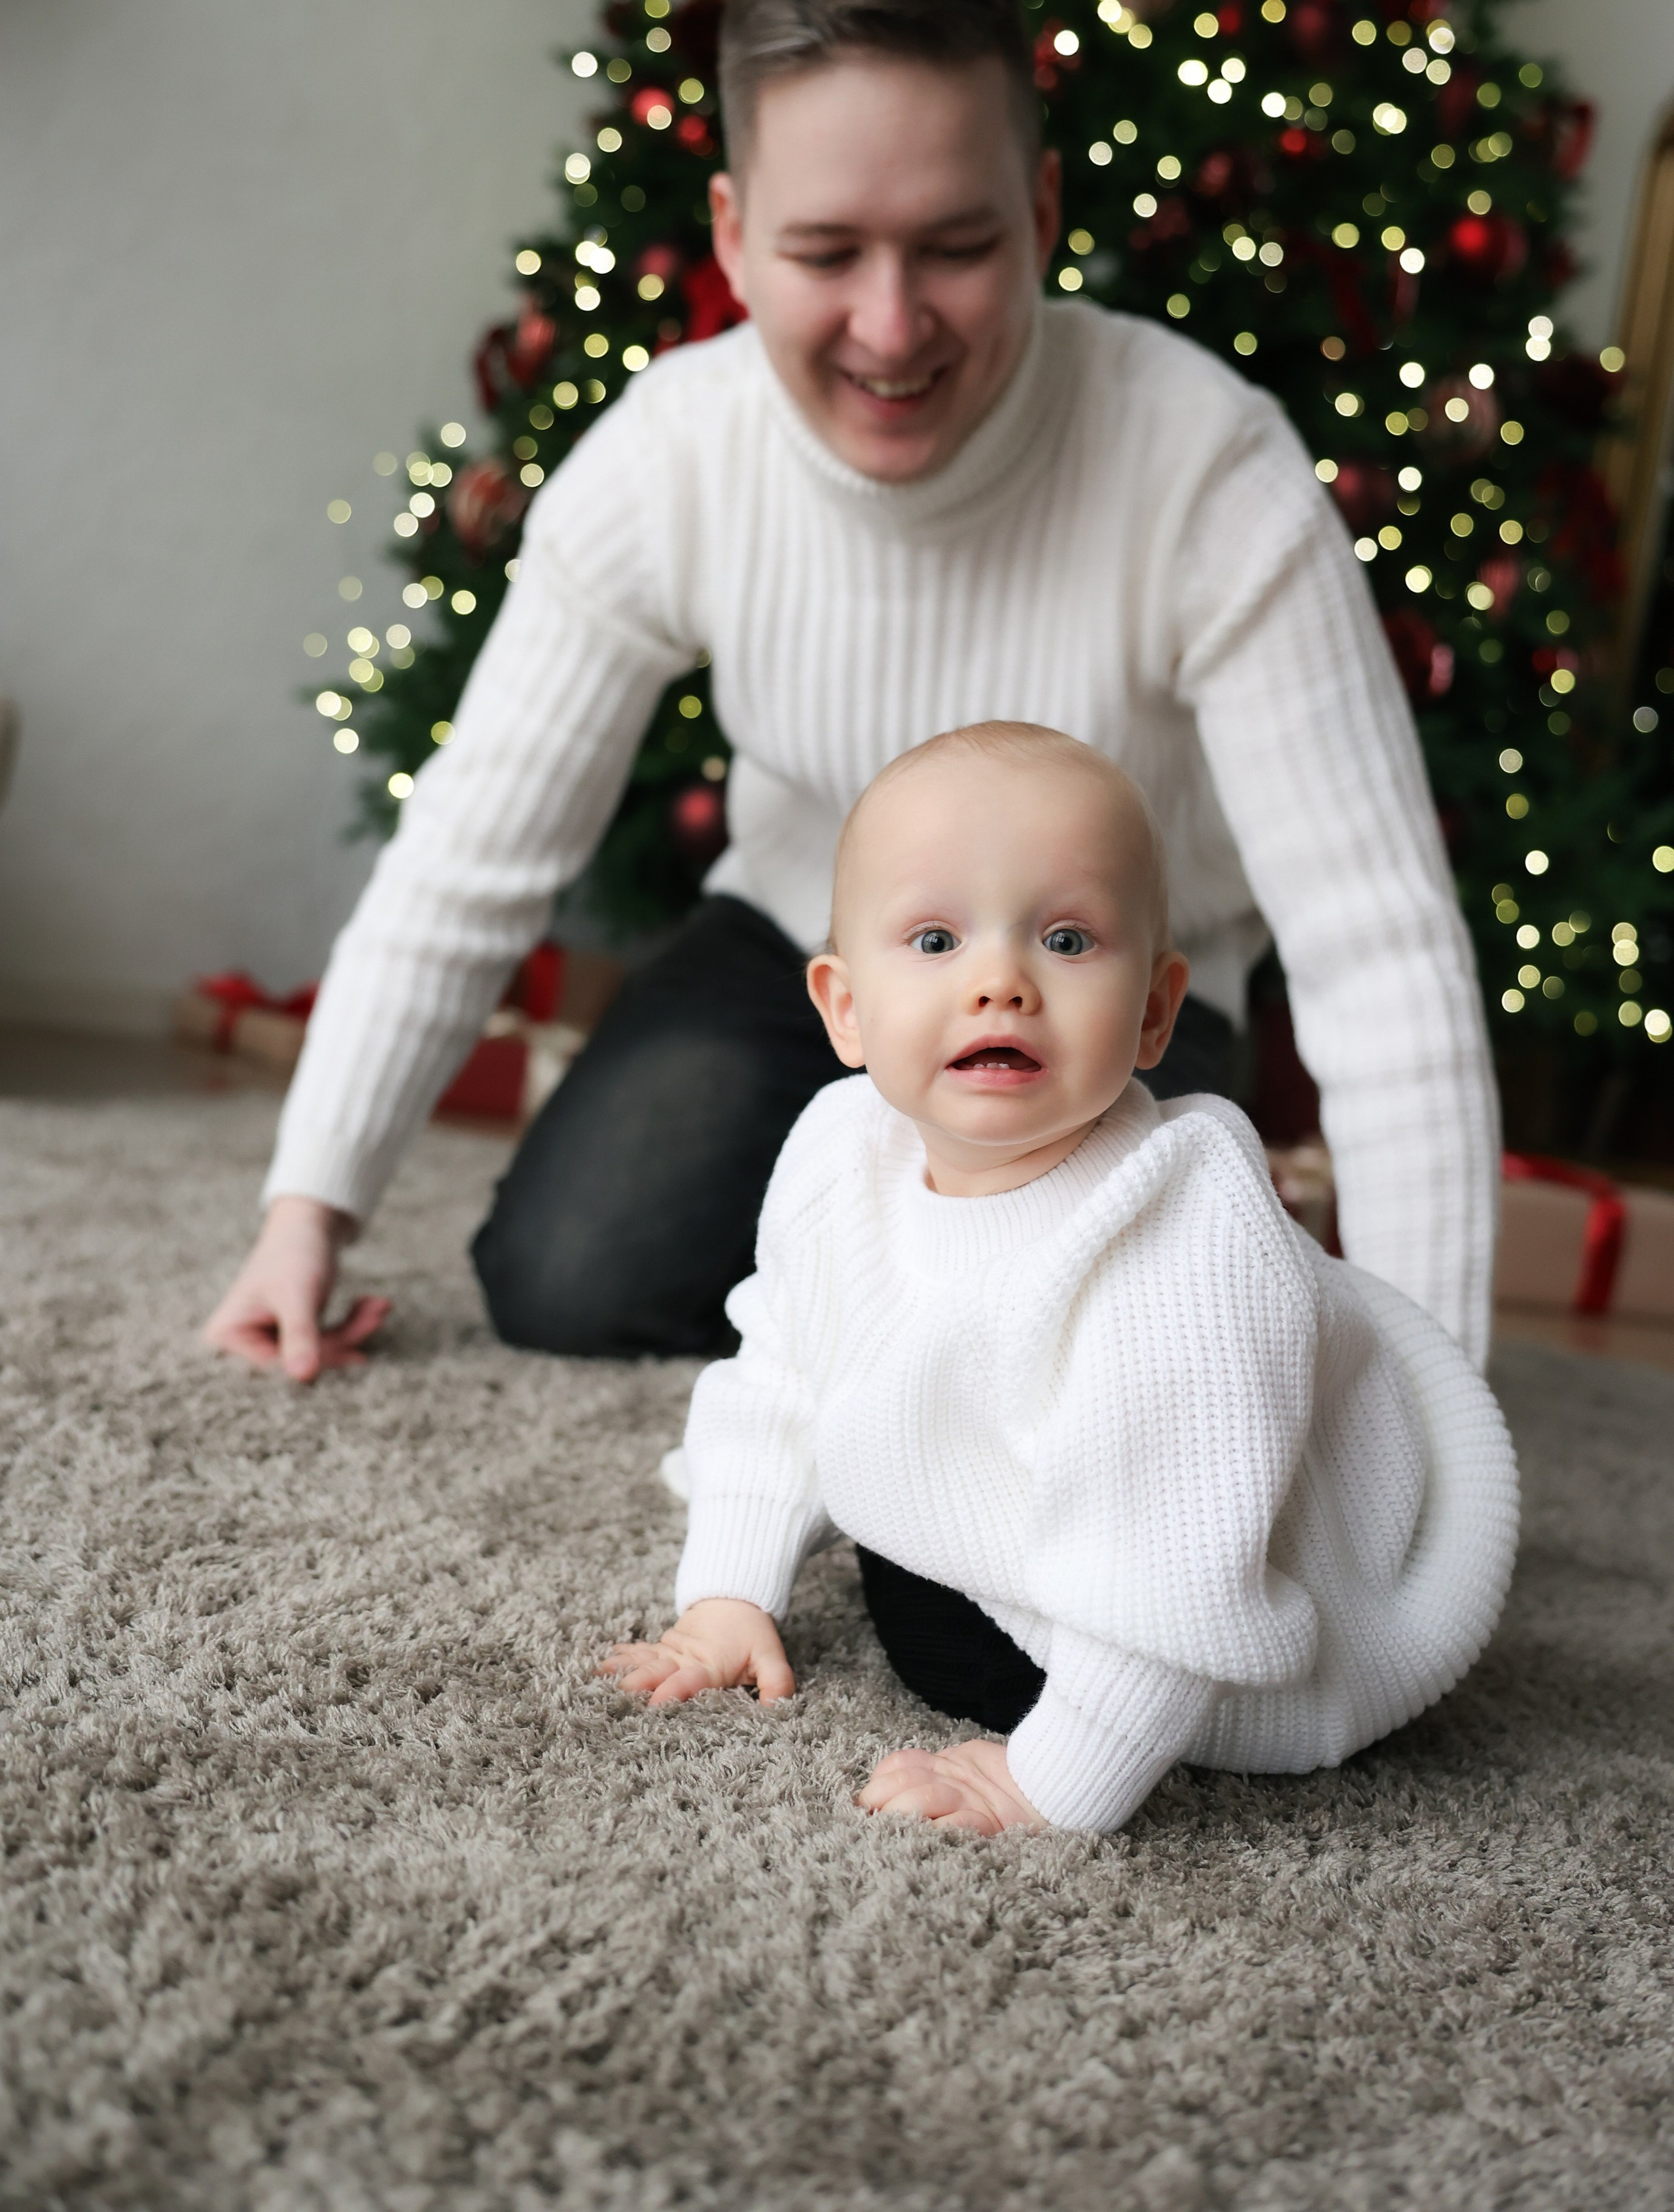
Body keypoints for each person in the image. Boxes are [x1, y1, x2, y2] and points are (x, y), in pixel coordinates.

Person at [204, 0, 1498, 1385]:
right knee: (569, 1276)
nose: (891, 327)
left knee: (1104, 1368)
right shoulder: (670, 457)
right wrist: (304, 1213)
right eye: (826, 253)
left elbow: (1375, 945)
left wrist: (1433, 1407)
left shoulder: (1206, 470)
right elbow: (470, 853)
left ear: (1042, 208)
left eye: (955, 247)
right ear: (735, 240)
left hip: (1105, 986)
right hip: (797, 955)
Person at [601, 726, 1518, 1838]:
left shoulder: (1179, 1241)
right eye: (936, 938)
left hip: (1214, 1574)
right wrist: (729, 1591)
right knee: (905, 1570)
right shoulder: (843, 1148)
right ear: (845, 1009)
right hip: (1022, 1494)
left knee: (967, 1648)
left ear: (1154, 1013)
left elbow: (1179, 1552)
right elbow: (788, 1370)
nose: (1001, 983)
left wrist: (1051, 1781)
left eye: (1069, 938)